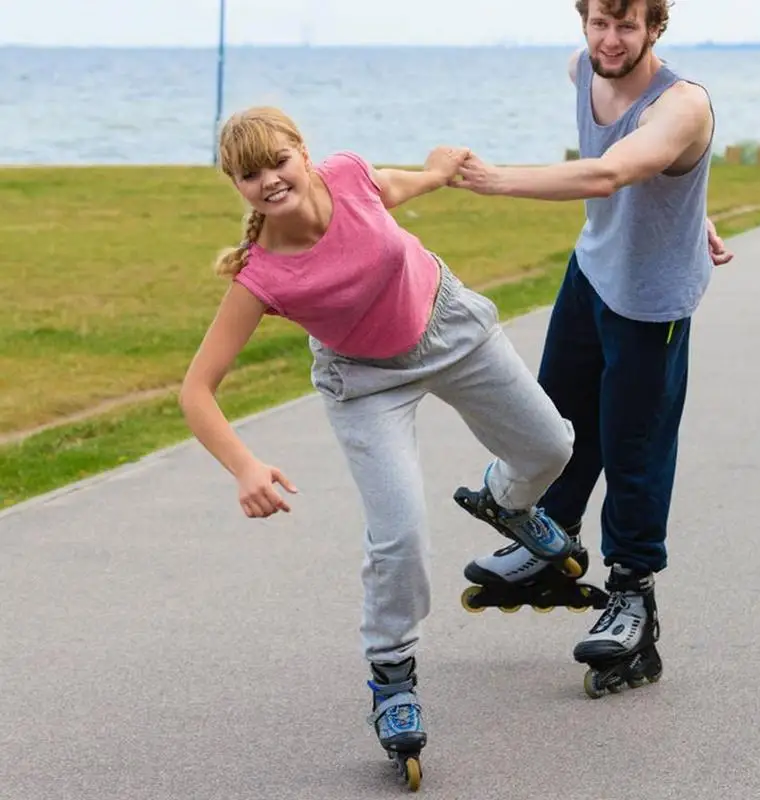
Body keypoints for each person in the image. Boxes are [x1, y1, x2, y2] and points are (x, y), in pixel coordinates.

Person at [178, 105, 579, 783]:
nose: (269, 180)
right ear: (237, 186)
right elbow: (196, 389)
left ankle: (508, 505)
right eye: (250, 175)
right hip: (363, 380)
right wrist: (244, 466)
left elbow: (395, 188)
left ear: (303, 152)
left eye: (277, 160)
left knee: (551, 449)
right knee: (400, 534)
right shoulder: (261, 276)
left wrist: (439, 170)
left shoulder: (348, 176)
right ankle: (392, 676)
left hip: (448, 325)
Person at [450, 0, 734, 695]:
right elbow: (645, 177)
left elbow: (613, 171)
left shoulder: (683, 103)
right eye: (599, 23)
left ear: (656, 28)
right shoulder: (582, 66)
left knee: (633, 446)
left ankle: (634, 595)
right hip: (594, 269)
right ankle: (552, 544)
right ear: (583, 22)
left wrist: (493, 179)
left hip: (650, 301)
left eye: (627, 26)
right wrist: (697, 213)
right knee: (557, 421)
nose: (611, 40)